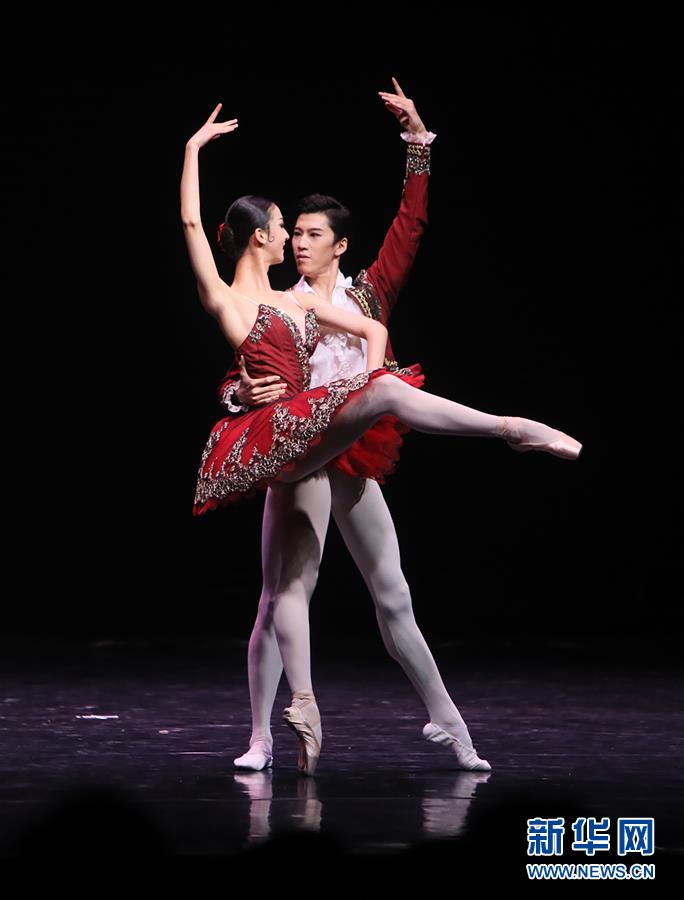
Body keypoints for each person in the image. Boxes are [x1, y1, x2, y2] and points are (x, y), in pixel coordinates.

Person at [181, 101, 583, 775]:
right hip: (298, 447)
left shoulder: (362, 293)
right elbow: (245, 370)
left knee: (393, 595)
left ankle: (450, 724)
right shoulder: (275, 298)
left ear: (338, 245)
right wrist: (236, 395)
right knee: (280, 595)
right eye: (292, 232)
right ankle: (262, 737)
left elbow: (410, 227)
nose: (298, 243)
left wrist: (418, 144)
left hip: (349, 447)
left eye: (311, 234)